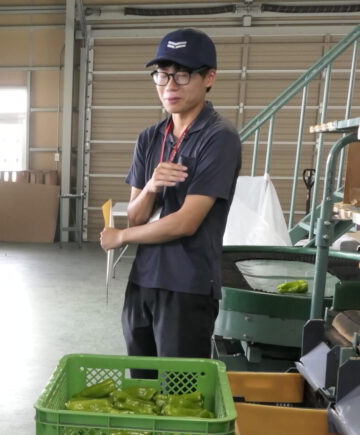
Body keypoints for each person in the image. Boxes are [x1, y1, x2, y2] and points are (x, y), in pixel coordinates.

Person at [99, 28, 241, 364]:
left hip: (187, 286)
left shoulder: (219, 138)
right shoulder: (150, 137)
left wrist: (121, 236)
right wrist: (150, 186)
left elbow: (186, 222)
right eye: (162, 75)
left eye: (182, 74)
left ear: (209, 78)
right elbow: (135, 213)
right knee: (142, 387)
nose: (170, 86)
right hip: (143, 281)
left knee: (180, 395)